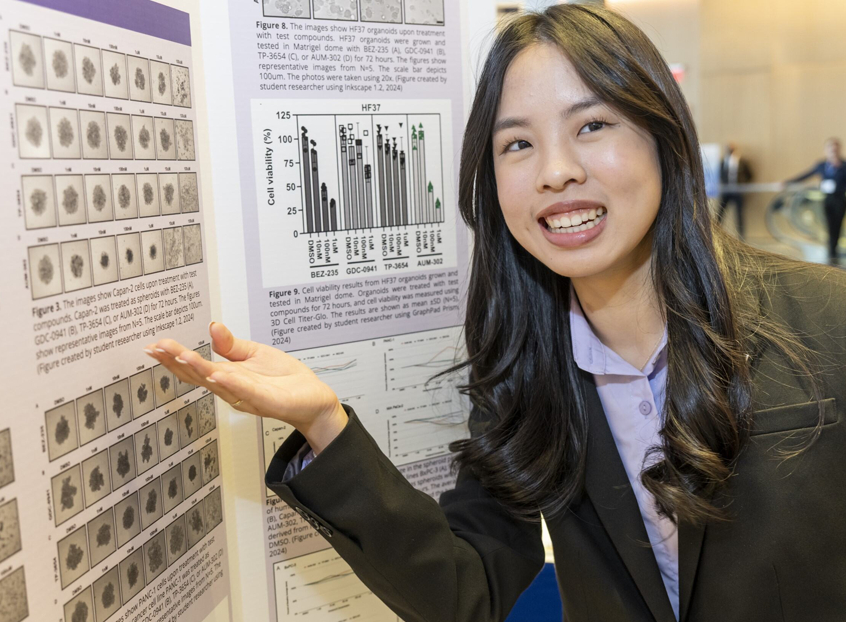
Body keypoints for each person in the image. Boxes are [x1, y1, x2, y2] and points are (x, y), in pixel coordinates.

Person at [147, 6, 846, 621]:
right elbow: (467, 590)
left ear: (664, 138)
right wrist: (323, 424)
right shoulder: (525, 369)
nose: (556, 171)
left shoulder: (826, 318)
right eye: (518, 143)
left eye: (593, 124)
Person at [786, 138, 846, 264]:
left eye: (835, 149)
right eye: (831, 149)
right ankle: (831, 249)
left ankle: (833, 250)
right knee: (828, 225)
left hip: (840, 199)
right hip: (826, 199)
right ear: (827, 150)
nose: (833, 151)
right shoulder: (822, 165)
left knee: (837, 225)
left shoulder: (844, 165)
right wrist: (788, 182)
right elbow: (806, 175)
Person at [716, 142, 753, 238]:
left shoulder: (742, 161)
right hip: (726, 191)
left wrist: (743, 185)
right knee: (720, 213)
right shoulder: (724, 161)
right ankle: (716, 233)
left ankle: (741, 236)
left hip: (738, 191)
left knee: (739, 214)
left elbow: (749, 175)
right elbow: (720, 174)